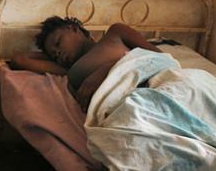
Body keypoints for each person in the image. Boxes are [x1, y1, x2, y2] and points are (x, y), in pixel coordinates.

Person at [10, 17, 161, 110]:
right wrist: (52, 54)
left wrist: (107, 69)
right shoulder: (69, 68)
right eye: (53, 55)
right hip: (122, 109)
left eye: (58, 43)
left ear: (73, 28)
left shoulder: (116, 33)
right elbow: (19, 60)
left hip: (153, 91)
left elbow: (159, 57)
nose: (57, 53)